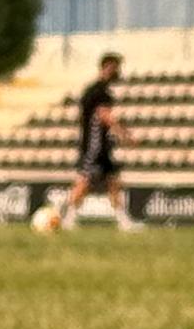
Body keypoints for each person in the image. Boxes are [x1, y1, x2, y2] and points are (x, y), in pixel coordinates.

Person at [34, 54, 130, 231]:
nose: (118, 71)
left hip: (99, 145)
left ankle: (123, 221)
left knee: (113, 181)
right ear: (108, 66)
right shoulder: (100, 91)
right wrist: (125, 134)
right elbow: (104, 116)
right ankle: (66, 217)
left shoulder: (93, 89)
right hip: (95, 146)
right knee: (84, 180)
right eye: (115, 67)